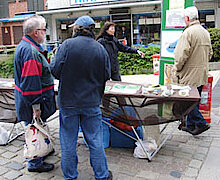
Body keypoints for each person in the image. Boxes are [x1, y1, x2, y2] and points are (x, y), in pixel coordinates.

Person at [50, 16, 112, 180]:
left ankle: (70, 176)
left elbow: (55, 71)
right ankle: (102, 175)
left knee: (68, 141)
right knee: (95, 141)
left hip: (68, 102)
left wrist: (52, 59)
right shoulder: (100, 48)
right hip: (92, 102)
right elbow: (106, 74)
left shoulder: (67, 45)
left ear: (76, 29)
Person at [14, 15, 56, 172]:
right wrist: (36, 105)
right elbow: (31, 82)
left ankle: (39, 155)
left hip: (29, 100)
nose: (45, 32)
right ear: (35, 32)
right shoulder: (30, 51)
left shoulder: (28, 47)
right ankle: (35, 163)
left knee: (35, 129)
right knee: (34, 131)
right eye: (44, 29)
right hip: (32, 102)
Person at [174, 6, 213, 136]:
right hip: (202, 72)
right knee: (195, 100)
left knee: (187, 102)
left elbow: (181, 55)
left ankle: (201, 123)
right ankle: (190, 126)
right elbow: (210, 53)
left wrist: (177, 68)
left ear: (187, 18)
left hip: (189, 74)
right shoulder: (205, 32)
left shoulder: (188, 33)